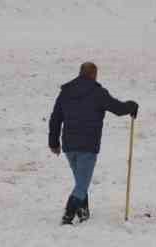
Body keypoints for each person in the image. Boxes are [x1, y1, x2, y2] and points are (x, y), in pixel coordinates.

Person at [48, 61, 138, 226]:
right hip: (88, 146)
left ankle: (83, 211)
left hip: (69, 145)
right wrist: (131, 106)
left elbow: (55, 118)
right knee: (82, 184)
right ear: (94, 74)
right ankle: (68, 216)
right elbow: (117, 108)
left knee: (80, 180)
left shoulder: (66, 92)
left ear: (80, 73)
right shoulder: (98, 93)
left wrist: (53, 142)